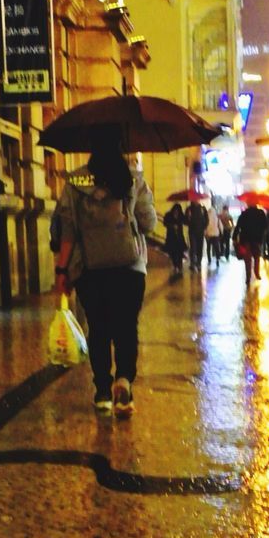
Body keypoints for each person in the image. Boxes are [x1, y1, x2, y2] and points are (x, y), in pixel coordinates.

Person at [53, 140, 157, 416]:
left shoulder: (75, 182)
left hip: (91, 269)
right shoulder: (133, 179)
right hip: (130, 268)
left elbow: (67, 231)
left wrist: (62, 271)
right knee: (126, 328)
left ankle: (102, 392)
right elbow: (148, 222)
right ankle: (124, 382)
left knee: (98, 329)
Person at [233, 203, 267, 285]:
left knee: (247, 259)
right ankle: (257, 273)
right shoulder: (261, 213)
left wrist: (234, 237)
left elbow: (238, 226)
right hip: (257, 239)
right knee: (256, 257)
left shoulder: (244, 214)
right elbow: (265, 226)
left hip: (246, 239)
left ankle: (248, 277)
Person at [164, 202, 186, 272]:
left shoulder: (181, 216)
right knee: (172, 251)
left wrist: (188, 216)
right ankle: (175, 264)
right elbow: (165, 223)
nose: (176, 211)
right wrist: (172, 226)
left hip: (179, 236)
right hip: (171, 236)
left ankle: (179, 264)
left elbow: (185, 222)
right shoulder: (168, 215)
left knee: (180, 251)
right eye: (175, 209)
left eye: (178, 210)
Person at [186, 200, 208, 270]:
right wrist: (188, 217)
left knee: (199, 247)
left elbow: (207, 219)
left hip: (200, 231)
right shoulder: (189, 209)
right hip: (192, 231)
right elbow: (185, 221)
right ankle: (192, 263)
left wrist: (204, 227)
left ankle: (198, 263)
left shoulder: (203, 208)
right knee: (193, 247)